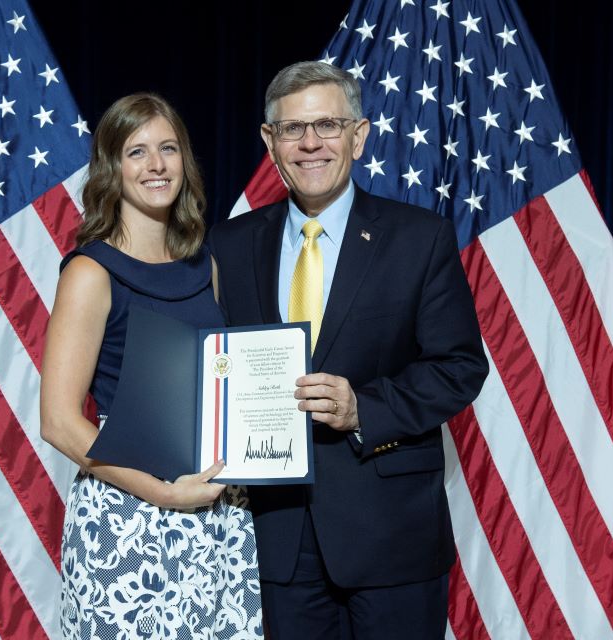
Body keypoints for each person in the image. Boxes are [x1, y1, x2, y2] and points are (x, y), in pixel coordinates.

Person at [208, 62, 488, 639]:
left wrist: (364, 409)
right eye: (292, 130)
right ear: (271, 142)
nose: (310, 144)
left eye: (328, 125)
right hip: (276, 541)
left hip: (391, 538)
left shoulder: (419, 237)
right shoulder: (229, 245)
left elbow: (460, 366)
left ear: (358, 136)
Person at [40, 93, 263, 639]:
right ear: (111, 169)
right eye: (136, 151)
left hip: (218, 511)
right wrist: (163, 494)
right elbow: (60, 423)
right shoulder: (90, 273)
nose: (156, 165)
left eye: (168, 148)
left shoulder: (204, 264)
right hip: (127, 514)